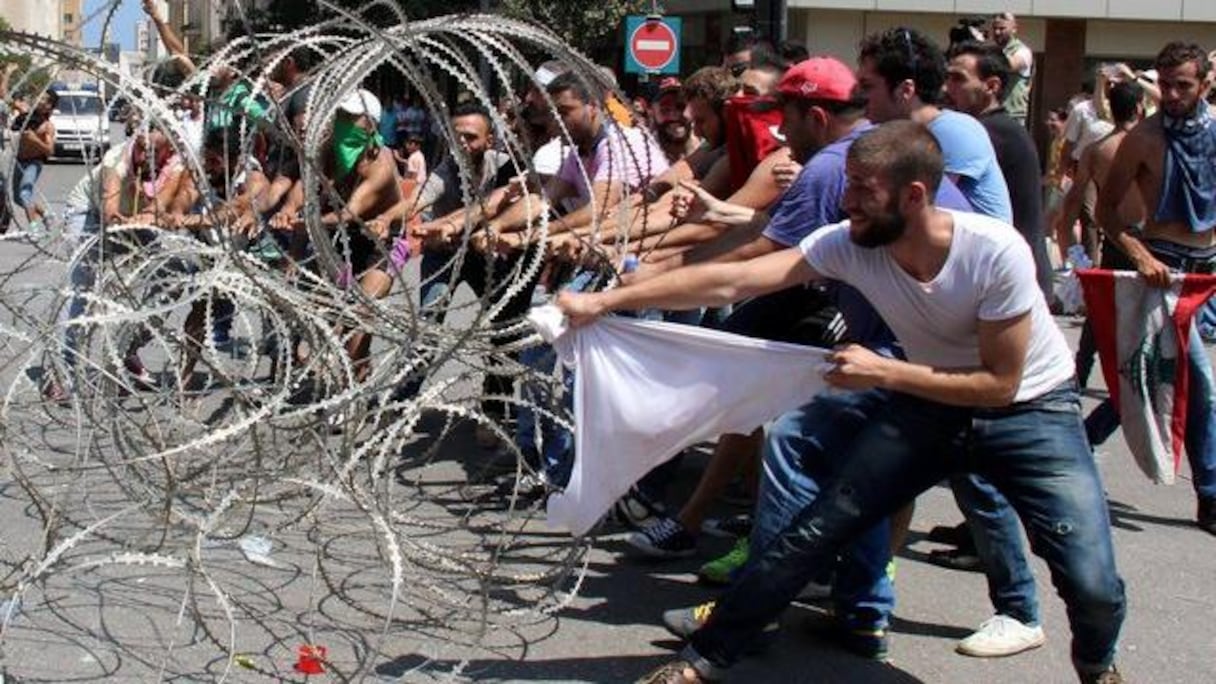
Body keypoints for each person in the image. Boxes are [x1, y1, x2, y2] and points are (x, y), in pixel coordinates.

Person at [558, 121, 1127, 684]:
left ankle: (1098, 666)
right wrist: (611, 300)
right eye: (847, 184)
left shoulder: (992, 251)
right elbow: (736, 280)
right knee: (815, 532)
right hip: (926, 405)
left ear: (913, 196)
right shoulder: (851, 243)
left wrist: (885, 370)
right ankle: (705, 659)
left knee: (1091, 581)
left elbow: (999, 384)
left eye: (862, 189)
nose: (845, 200)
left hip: (1031, 411)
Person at [1097, 41, 1216, 537]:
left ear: (1206, 85)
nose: (1169, 95)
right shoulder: (1143, 137)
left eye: (1182, 85)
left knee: (1143, 379)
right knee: (1198, 384)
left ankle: (1070, 453)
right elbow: (1106, 214)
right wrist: (1142, 257)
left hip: (1206, 269)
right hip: (1163, 269)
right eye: (1164, 84)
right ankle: (1211, 496)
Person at [945, 41, 1053, 296]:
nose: (947, 88)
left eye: (958, 79)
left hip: (1013, 282)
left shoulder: (990, 133)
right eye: (947, 77)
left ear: (991, 86)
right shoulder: (990, 129)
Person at [10, 88, 58, 233]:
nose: (39, 100)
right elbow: (8, 99)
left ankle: (33, 229)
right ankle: (46, 214)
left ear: (49, 106)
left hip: (34, 163)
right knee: (18, 198)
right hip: (20, 161)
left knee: (25, 193)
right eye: (39, 97)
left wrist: (35, 140)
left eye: (43, 99)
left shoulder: (47, 127)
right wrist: (6, 74)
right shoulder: (25, 113)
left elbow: (50, 151)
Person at [988, 13, 1034, 126]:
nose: (997, 32)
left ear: (1014, 29)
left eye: (1002, 28)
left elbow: (1009, 65)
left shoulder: (1023, 51)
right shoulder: (992, 50)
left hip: (1012, 114)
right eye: (995, 28)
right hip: (993, 111)